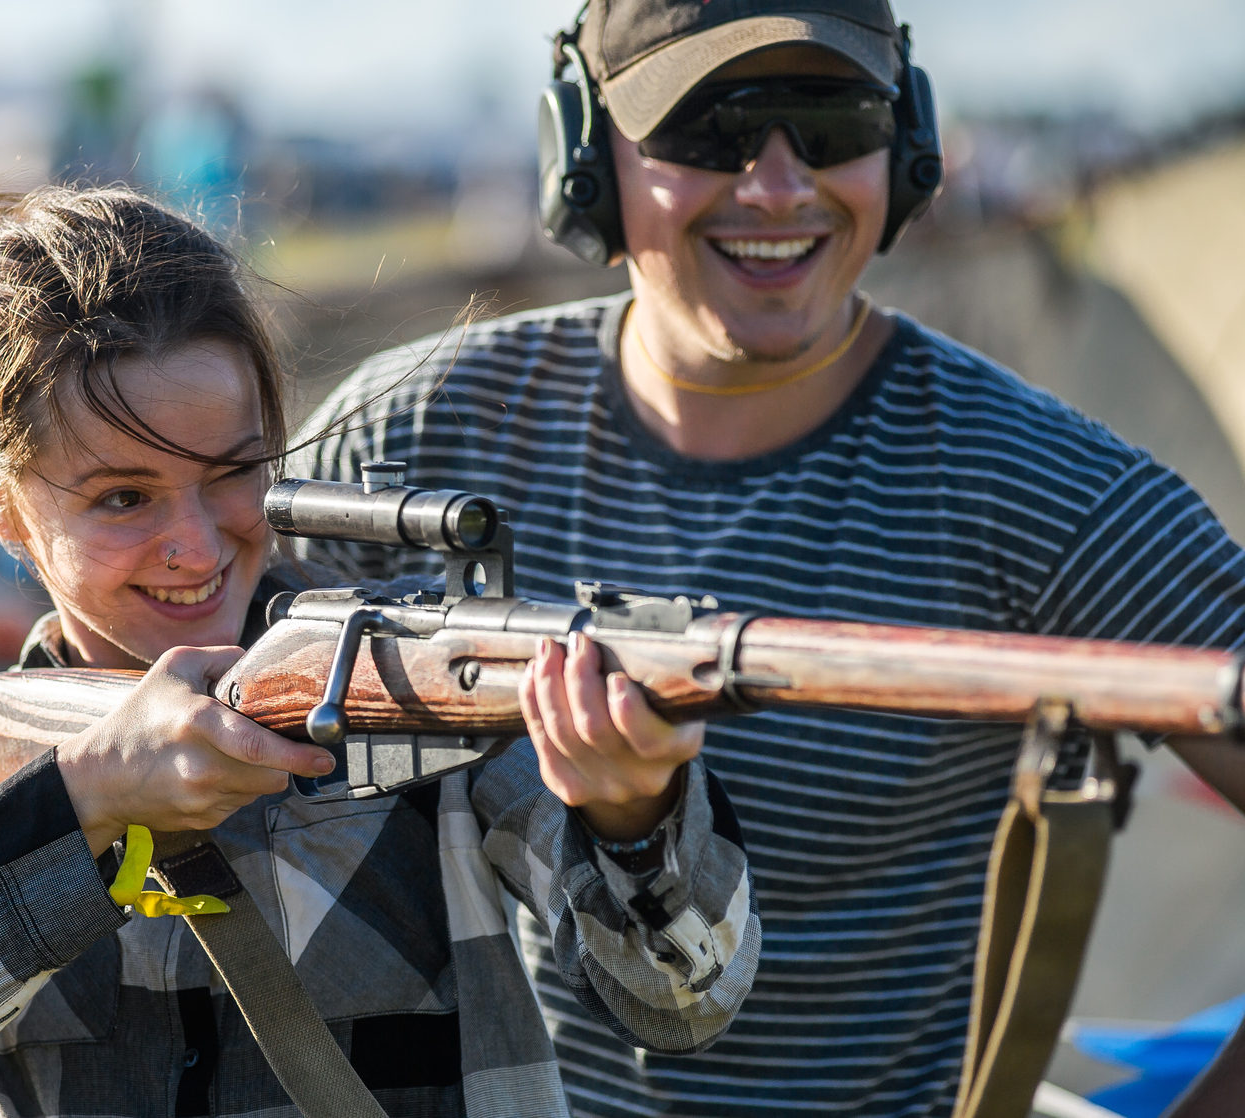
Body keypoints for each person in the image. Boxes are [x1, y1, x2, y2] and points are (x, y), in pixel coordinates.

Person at [292, 1, 1245, 1115]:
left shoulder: (1046, 490)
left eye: (831, 122)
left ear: (910, 150)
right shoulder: (401, 441)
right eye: (714, 127)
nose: (780, 185)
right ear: (586, 156)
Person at [0, 183, 760, 1118]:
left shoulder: (405, 679)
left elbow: (687, 1001)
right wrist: (83, 802)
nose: (195, 542)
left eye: (232, 472)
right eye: (123, 497)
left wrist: (636, 816)